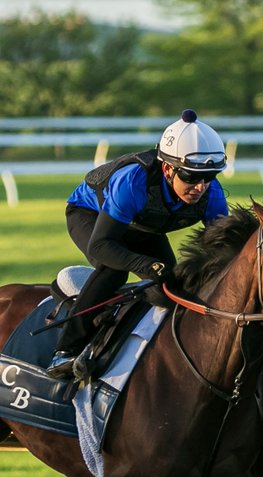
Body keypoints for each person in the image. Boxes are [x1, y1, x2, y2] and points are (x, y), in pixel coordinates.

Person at [47, 109, 230, 379]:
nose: (200, 186)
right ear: (168, 168)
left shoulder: (210, 193)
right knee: (114, 268)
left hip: (144, 225)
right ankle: (65, 349)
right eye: (191, 177)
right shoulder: (132, 182)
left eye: (210, 176)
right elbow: (101, 246)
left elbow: (224, 250)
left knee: (172, 288)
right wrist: (147, 264)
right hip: (91, 216)